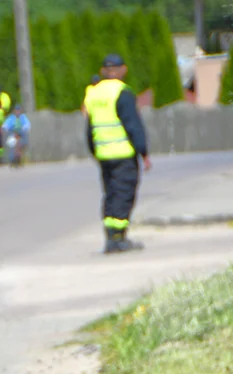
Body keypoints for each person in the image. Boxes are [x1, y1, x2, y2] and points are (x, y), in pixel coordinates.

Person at [83, 54, 152, 253]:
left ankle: (111, 236)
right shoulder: (123, 93)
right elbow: (133, 126)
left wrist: (95, 151)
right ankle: (118, 238)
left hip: (104, 155)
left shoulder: (94, 94)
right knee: (124, 194)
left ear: (104, 71)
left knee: (111, 194)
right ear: (123, 70)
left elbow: (89, 128)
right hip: (123, 155)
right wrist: (144, 153)